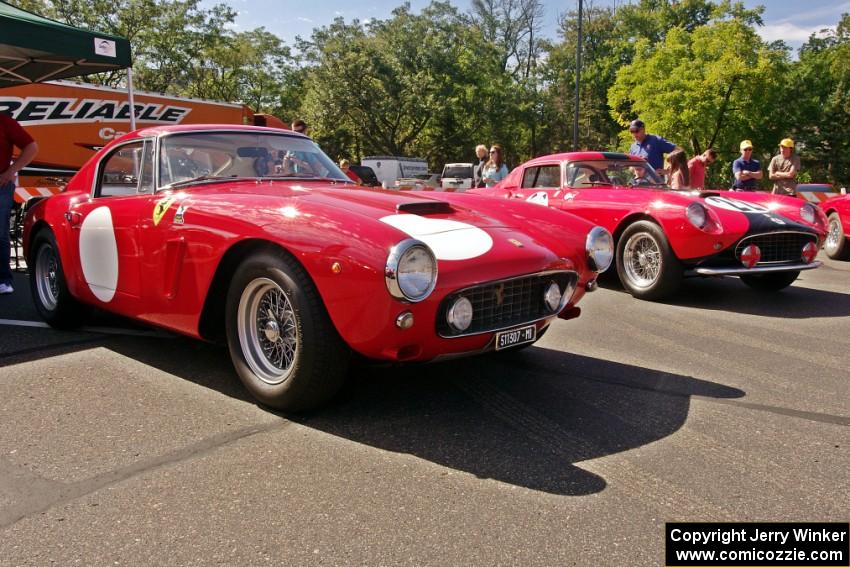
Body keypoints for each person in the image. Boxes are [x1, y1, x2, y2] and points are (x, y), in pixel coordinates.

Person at [1, 114, 38, 295]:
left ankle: (3, 280)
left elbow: (31, 147)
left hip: (0, 184)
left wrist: (10, 172)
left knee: (0, 233)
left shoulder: (5, 122)